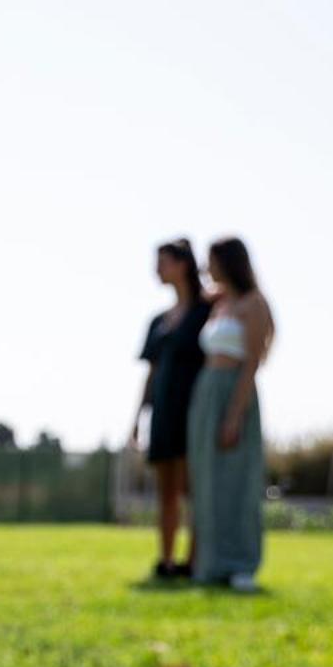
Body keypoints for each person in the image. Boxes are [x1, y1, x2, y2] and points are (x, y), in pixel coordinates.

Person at [188, 237, 274, 591]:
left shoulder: (254, 304)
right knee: (207, 483)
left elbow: (253, 360)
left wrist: (234, 415)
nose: (208, 268)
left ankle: (242, 564)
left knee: (237, 482)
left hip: (234, 392)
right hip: (205, 392)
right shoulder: (218, 303)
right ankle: (211, 563)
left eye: (213, 261)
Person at [131, 239, 209, 580]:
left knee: (195, 490)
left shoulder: (207, 311)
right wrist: (137, 418)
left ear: (183, 264)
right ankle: (165, 561)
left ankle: (193, 562)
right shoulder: (158, 321)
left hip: (194, 410)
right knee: (167, 492)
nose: (156, 269)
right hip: (163, 411)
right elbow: (151, 371)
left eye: (163, 261)